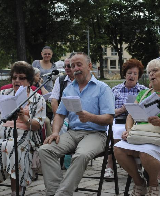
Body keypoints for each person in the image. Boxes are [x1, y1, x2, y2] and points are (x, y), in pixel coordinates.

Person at [38, 52, 115, 196]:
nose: (75, 68)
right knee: (45, 150)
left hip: (96, 134)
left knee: (80, 155)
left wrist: (91, 117)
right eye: (73, 66)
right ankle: (54, 191)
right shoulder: (69, 88)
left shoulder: (102, 88)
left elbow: (109, 118)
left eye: (79, 64)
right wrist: (55, 132)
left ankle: (63, 193)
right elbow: (60, 114)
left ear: (89, 66)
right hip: (72, 132)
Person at [114, 58, 160, 196]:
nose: (151, 74)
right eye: (149, 72)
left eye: (155, 71)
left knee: (146, 152)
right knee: (118, 149)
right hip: (142, 135)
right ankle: (139, 182)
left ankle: (153, 185)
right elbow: (131, 116)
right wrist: (129, 130)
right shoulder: (144, 94)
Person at [0, 61, 46, 196]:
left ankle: (16, 191)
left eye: (21, 78)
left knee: (14, 147)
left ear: (29, 81)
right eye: (14, 77)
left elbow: (38, 125)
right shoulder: (3, 94)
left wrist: (24, 118)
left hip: (26, 137)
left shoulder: (37, 98)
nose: (17, 80)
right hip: (2, 136)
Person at [104, 59, 148, 179]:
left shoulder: (143, 91)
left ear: (138, 76)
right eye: (129, 73)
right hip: (118, 119)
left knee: (135, 133)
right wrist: (122, 110)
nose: (132, 76)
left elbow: (147, 111)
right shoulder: (115, 90)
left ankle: (137, 168)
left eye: (135, 73)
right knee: (114, 131)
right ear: (125, 74)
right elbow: (107, 111)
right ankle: (110, 167)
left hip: (136, 122)